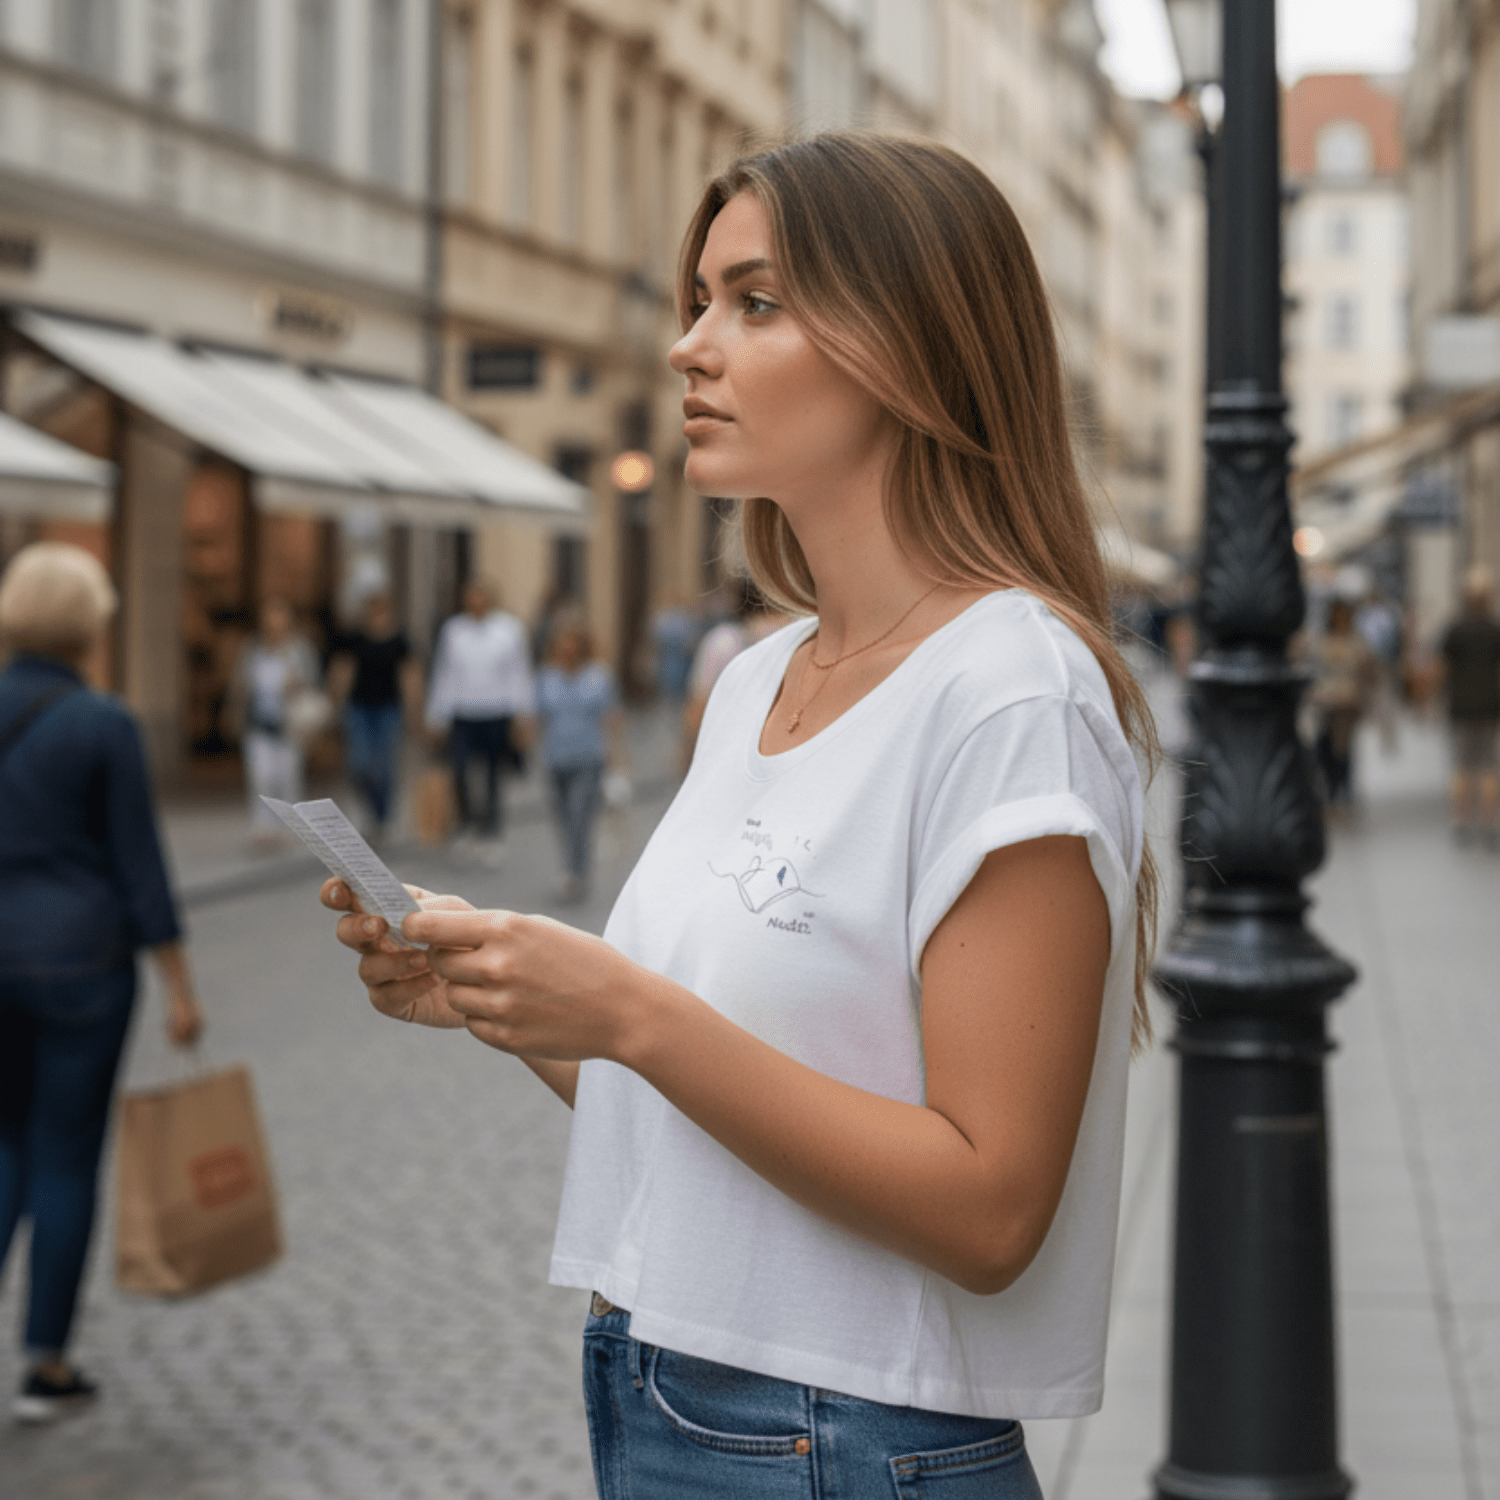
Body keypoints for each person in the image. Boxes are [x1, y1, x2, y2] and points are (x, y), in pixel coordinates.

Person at [322, 132, 1158, 1496]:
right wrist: (520, 1001)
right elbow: (703, 1107)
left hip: (850, 1435)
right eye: (699, 300)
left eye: (755, 302)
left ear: (913, 343)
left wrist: (635, 1012)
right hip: (664, 1384)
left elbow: (994, 1204)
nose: (689, 348)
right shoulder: (761, 674)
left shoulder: (1011, 691)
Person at [0, 543, 203, 1425]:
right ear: (89, 624)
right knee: (64, 1156)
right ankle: (45, 1362)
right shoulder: (103, 722)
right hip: (82, 965)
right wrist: (181, 987)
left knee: (2, 1144)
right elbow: (140, 872)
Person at [425, 579, 537, 856]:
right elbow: (445, 673)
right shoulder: (454, 631)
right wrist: (436, 715)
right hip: (464, 713)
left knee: (492, 774)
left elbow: (518, 673)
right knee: (460, 769)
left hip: (496, 711)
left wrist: (524, 714)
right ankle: (467, 825)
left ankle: (492, 830)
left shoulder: (508, 630)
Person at [536, 610, 625, 900]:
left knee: (579, 816)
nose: (568, 649)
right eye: (562, 643)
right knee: (562, 817)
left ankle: (577, 872)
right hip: (556, 758)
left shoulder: (599, 677)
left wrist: (620, 757)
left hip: (589, 758)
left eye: (573, 642)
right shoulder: (547, 677)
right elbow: (537, 717)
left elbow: (612, 718)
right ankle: (571, 866)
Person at [226, 596, 322, 846]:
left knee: (288, 776)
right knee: (261, 775)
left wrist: (296, 686)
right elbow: (241, 682)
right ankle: (263, 828)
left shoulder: (299, 650)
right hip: (259, 721)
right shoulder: (253, 649)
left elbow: (311, 683)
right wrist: (234, 709)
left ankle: (290, 828)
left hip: (289, 724)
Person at [328, 591, 422, 841]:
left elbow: (409, 676)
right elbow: (342, 670)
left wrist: (414, 711)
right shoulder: (355, 639)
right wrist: (336, 704)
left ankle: (383, 818)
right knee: (359, 764)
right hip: (359, 709)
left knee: (385, 766)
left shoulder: (400, 641)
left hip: (389, 710)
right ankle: (372, 811)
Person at [678, 577, 783, 769]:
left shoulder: (724, 641)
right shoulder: (796, 635)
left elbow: (700, 699)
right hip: (774, 752)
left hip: (727, 749)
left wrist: (689, 752)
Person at [1440, 565, 1500, 848]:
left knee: (1463, 765)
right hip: (1490, 705)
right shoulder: (1494, 629)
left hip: (1461, 706)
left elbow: (1441, 668)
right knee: (1488, 765)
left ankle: (1462, 819)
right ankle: (1489, 822)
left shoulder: (1456, 628)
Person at [1309, 599, 1378, 812]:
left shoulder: (1356, 642)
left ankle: (1343, 791)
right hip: (1326, 702)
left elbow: (1368, 671)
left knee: (1343, 749)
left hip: (1348, 702)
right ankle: (1331, 790)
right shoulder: (1323, 641)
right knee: (1326, 747)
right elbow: (1313, 668)